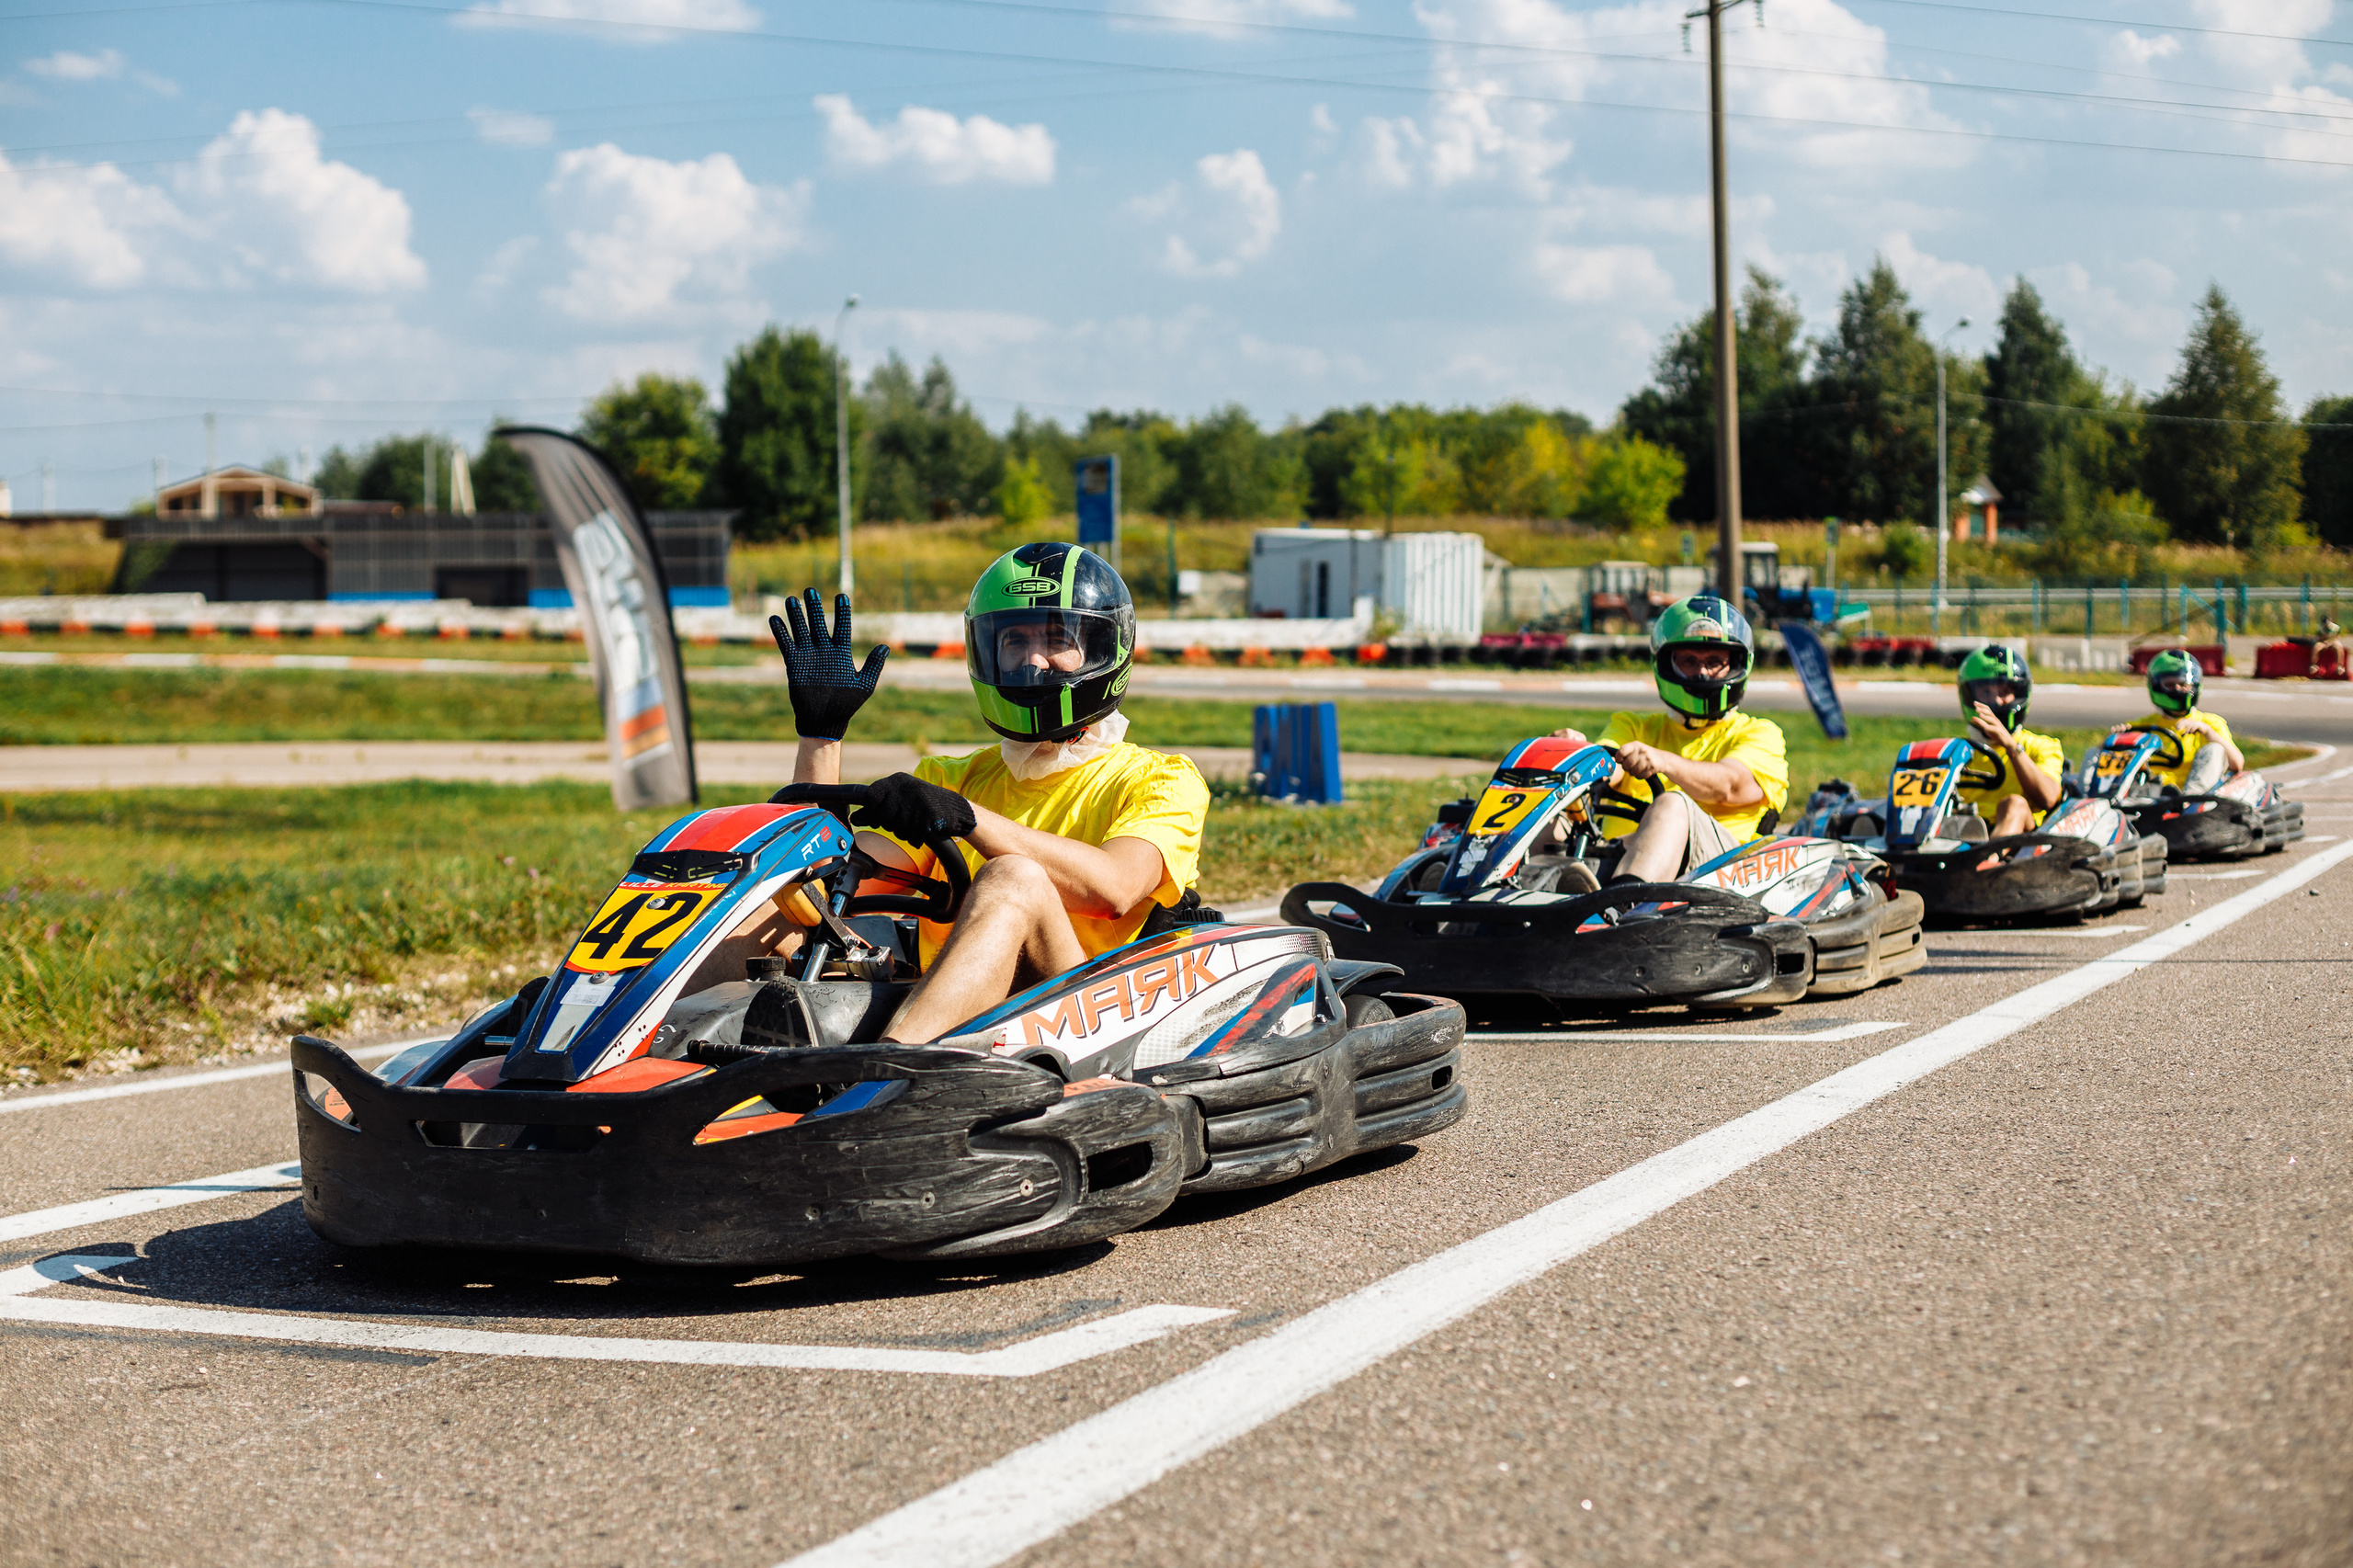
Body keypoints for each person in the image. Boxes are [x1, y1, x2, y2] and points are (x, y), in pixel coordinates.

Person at [776, 542, 1209, 1045]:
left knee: (1014, 879)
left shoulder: (1159, 778)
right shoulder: (951, 777)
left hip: (1092, 1024)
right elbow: (817, 891)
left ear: (1101, 648)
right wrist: (821, 738)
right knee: (770, 914)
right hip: (958, 1017)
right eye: (1013, 643)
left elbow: (1111, 889)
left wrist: (968, 819)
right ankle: (674, 1054)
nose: (1032, 662)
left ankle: (885, 1075)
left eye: (1055, 639)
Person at [1545, 594, 1789, 887]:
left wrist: (1663, 761)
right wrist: (1572, 755)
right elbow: (1609, 765)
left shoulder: (1761, 733)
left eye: (1714, 661)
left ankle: (1621, 909)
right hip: (1617, 855)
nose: (1701, 672)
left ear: (1736, 664)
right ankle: (1506, 899)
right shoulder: (1632, 726)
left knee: (1672, 804)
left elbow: (1730, 785)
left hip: (1720, 874)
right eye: (1688, 661)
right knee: (1551, 812)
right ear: (1666, 664)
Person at [1949, 643, 2064, 836]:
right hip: (1965, 832)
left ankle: (1987, 862)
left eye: (2004, 692)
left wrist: (2010, 746)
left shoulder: (2041, 746)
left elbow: (2049, 798)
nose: (1996, 701)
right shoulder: (1956, 752)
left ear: (2019, 694)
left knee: (2014, 804)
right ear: (1969, 696)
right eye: (1986, 692)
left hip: (2021, 840)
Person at [2116, 648, 2242, 793]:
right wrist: (2114, 740)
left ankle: (2189, 801)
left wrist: (2206, 732)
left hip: (2192, 800)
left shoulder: (2210, 723)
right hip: (2149, 795)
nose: (2177, 689)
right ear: (2156, 686)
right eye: (2170, 685)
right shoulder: (2140, 727)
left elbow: (2237, 764)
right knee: (2098, 751)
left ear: (2194, 686)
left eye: (2183, 685)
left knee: (2215, 749)